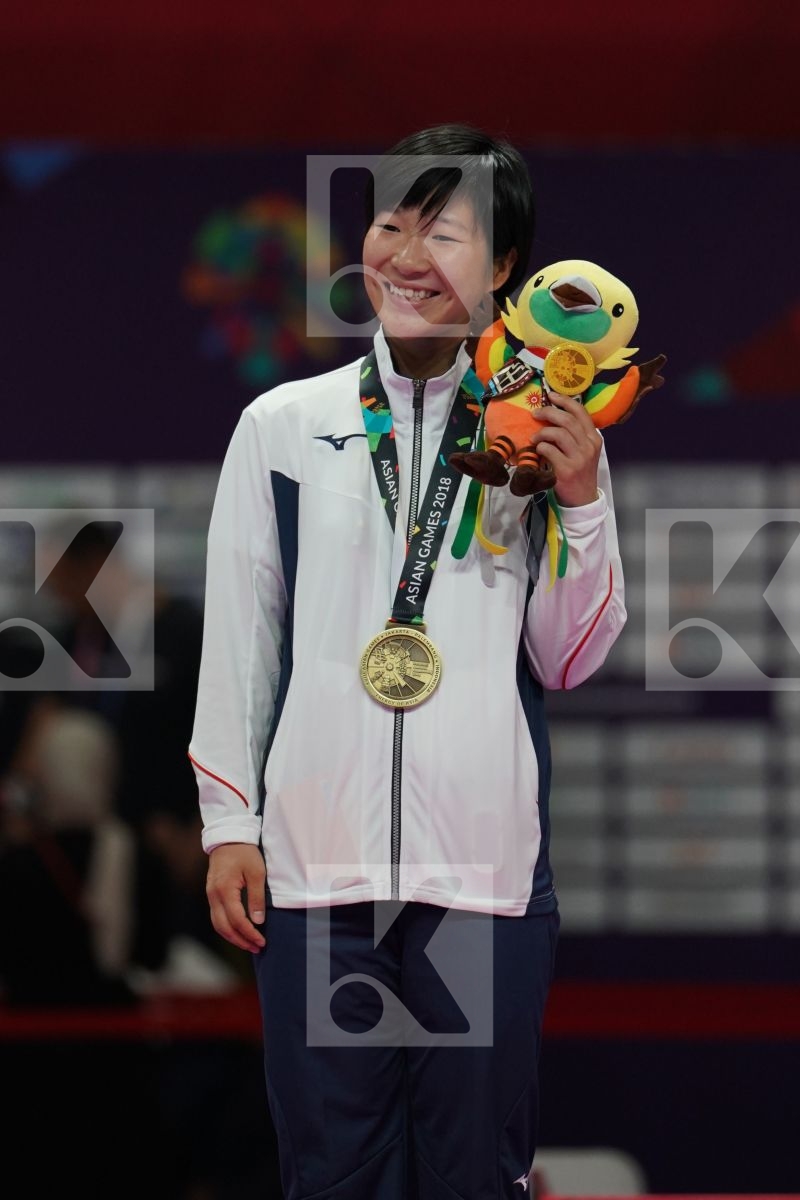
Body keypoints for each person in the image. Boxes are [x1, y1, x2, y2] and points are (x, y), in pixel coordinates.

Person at [189, 123, 627, 1199]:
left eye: (446, 232)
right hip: (314, 883)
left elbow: (567, 657)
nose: (406, 255)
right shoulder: (284, 425)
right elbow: (242, 638)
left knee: (474, 1178)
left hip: (477, 878)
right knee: (332, 1176)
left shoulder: (536, 434)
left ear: (506, 270)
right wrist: (228, 830)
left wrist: (582, 500)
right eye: (391, 224)